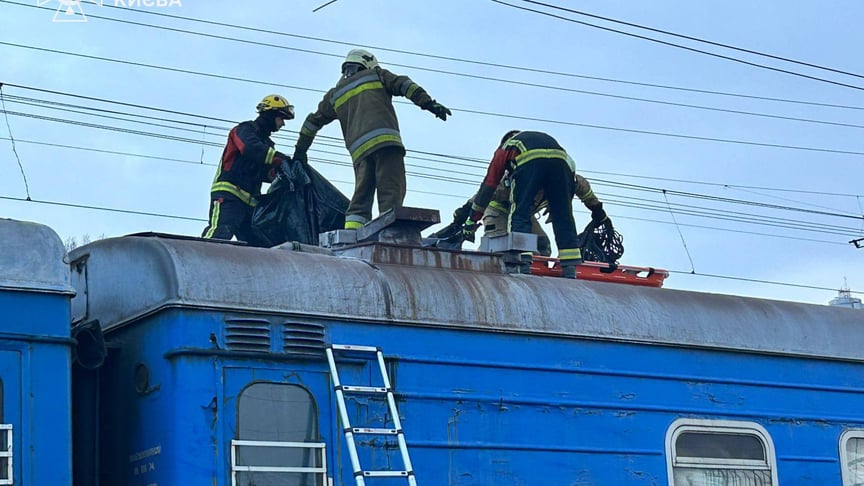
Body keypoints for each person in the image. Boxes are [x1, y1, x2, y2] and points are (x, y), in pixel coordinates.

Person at [292, 48, 451, 229]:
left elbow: (312, 123)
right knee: (390, 191)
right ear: (367, 63)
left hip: (360, 153)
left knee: (361, 197)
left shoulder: (335, 94)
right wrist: (429, 103)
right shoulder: (376, 75)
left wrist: (300, 151)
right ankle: (389, 230)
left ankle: (352, 232)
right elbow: (404, 85)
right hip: (386, 144)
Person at [463, 130, 608, 278]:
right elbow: (484, 193)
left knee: (541, 244)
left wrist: (598, 212)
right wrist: (468, 218)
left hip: (524, 214)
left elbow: (584, 191)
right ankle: (515, 266)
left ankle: (555, 266)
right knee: (501, 245)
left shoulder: (513, 155)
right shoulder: (505, 182)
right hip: (498, 212)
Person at [202, 94, 295, 244]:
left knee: (257, 245)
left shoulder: (267, 144)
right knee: (220, 232)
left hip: (250, 203)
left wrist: (278, 172)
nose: (283, 124)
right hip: (229, 194)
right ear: (271, 114)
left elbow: (263, 171)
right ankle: (200, 254)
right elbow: (250, 148)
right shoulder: (245, 129)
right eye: (281, 118)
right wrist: (279, 158)